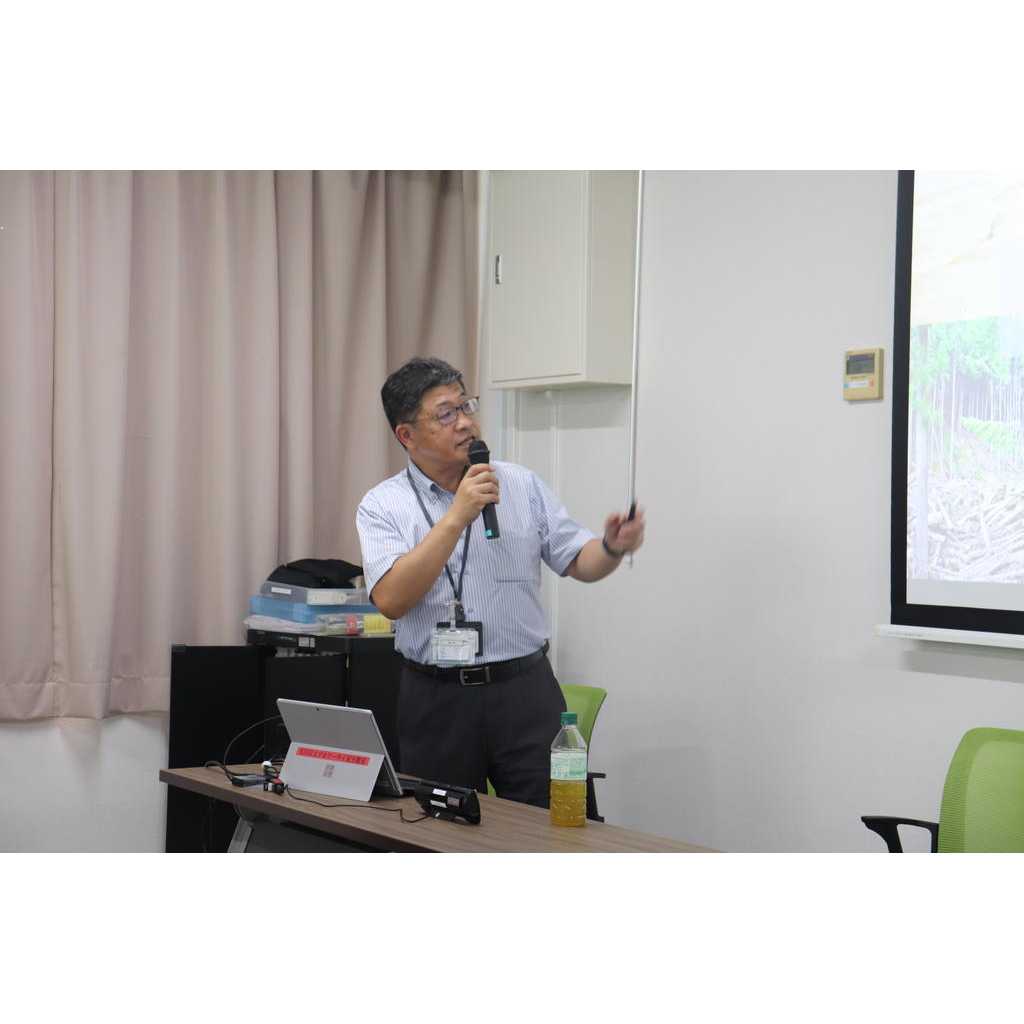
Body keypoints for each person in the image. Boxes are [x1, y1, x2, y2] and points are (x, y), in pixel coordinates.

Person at [356, 357, 645, 808]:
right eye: (445, 414)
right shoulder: (382, 506)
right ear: (406, 435)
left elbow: (578, 560)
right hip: (437, 699)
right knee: (441, 833)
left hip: (525, 691)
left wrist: (611, 547)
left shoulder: (520, 484)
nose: (465, 422)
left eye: (465, 406)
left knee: (557, 825)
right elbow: (392, 599)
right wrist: (457, 515)